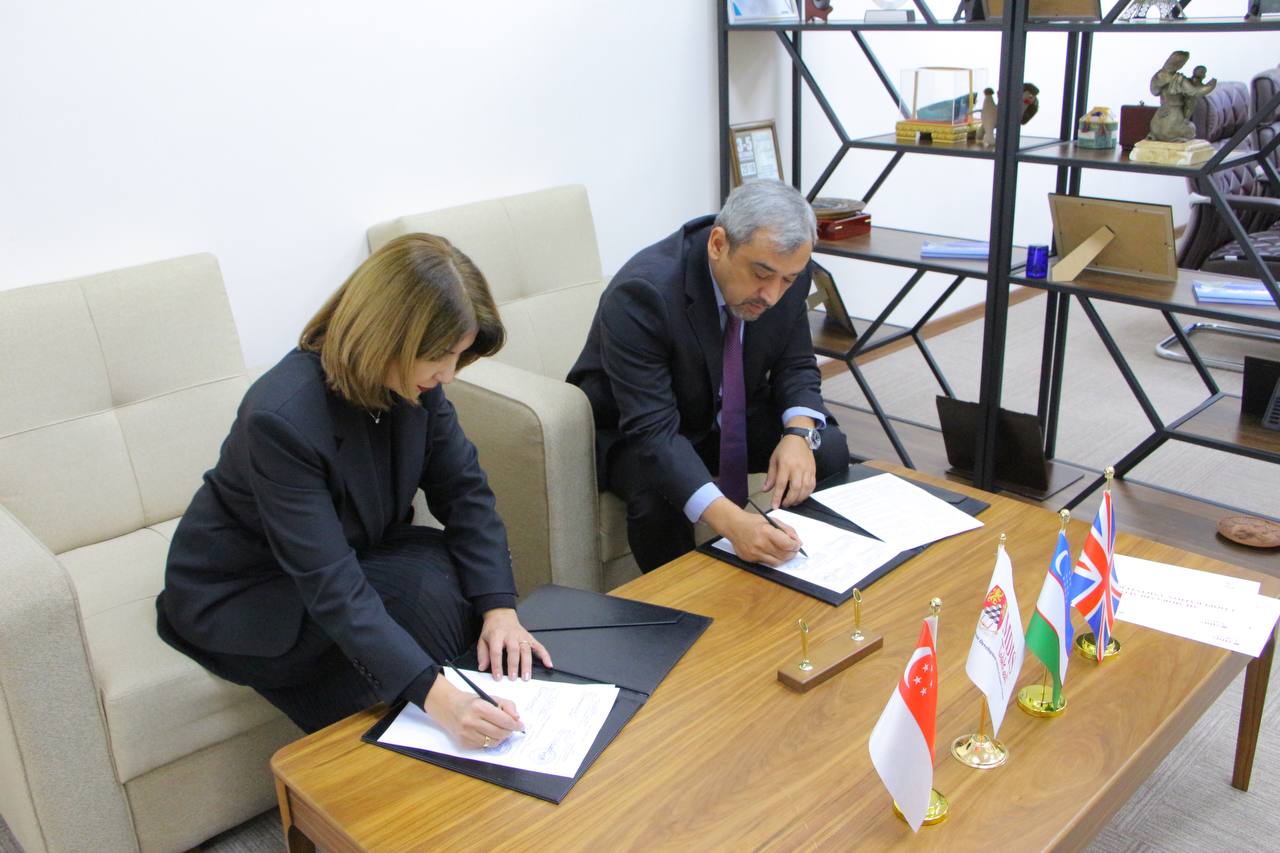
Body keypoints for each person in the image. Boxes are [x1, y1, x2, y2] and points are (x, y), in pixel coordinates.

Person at [156, 233, 550, 749]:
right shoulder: (281, 418)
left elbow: (466, 494)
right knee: (418, 603)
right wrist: (438, 698)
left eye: (457, 355)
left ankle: (471, 722)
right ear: (389, 336)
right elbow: (331, 584)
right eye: (440, 356)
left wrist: (500, 609)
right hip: (251, 589)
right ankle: (430, 742)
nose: (449, 374)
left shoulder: (417, 386)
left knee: (451, 573)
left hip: (350, 553)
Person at [567, 180, 850, 574]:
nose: (772, 294)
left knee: (827, 446)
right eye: (761, 274)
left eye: (786, 280)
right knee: (657, 496)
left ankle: (811, 569)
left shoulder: (788, 273)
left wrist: (799, 435)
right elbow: (653, 432)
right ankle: (685, 599)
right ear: (718, 244)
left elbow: (796, 364)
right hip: (638, 428)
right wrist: (734, 524)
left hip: (726, 413)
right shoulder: (642, 293)